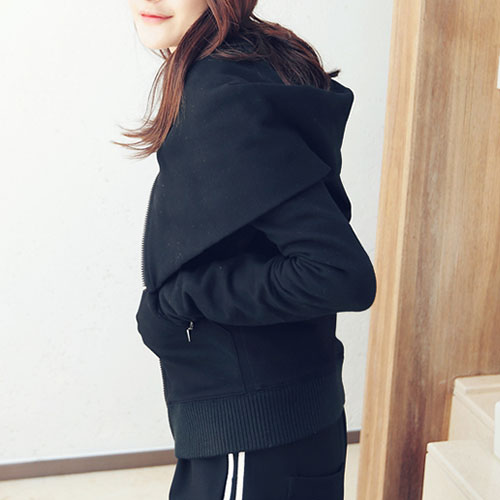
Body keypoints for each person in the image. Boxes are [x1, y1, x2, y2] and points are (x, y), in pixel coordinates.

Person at [118, 1, 377, 499]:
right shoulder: (251, 58)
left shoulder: (221, 96)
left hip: (253, 436)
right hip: (282, 418)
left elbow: (337, 272)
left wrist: (181, 299)